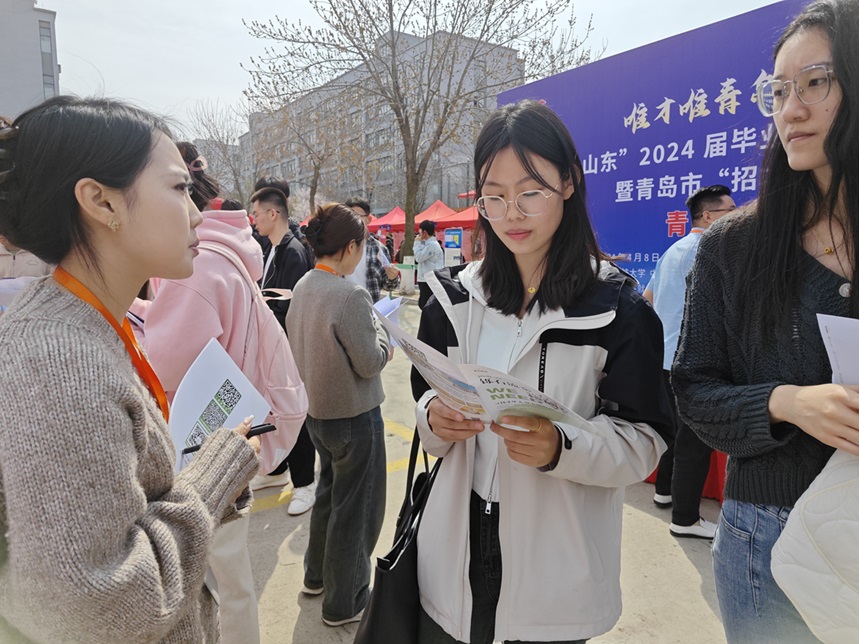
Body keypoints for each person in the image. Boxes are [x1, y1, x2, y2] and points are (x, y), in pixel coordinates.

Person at [411, 100, 673, 644]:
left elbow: (645, 441)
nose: (511, 214)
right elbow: (423, 414)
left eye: (530, 193)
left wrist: (561, 446)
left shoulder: (618, 310)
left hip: (556, 566)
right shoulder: (453, 298)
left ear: (569, 184)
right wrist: (435, 418)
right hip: (456, 548)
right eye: (494, 197)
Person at [0, 96, 260, 643]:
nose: (197, 213)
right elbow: (104, 604)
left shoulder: (82, 327)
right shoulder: (57, 359)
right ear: (101, 201)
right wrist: (214, 476)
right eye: (178, 188)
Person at [672, 1, 859, 641]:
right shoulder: (735, 246)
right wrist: (788, 402)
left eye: (816, 82)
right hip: (767, 540)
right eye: (779, 90)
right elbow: (694, 391)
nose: (792, 109)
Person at [131, 142, 307, 644]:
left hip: (206, 443)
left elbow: (166, 361)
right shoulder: (222, 256)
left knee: (222, 580)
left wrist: (128, 315)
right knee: (230, 577)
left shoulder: (198, 269)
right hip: (229, 430)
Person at [285, 203, 392, 627]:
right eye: (362, 247)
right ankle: (344, 602)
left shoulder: (304, 285)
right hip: (356, 415)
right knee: (359, 508)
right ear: (350, 248)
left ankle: (316, 577)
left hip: (319, 416)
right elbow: (370, 362)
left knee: (329, 496)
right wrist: (383, 332)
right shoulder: (350, 294)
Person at [643, 185, 736, 539]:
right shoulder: (712, 249)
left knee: (676, 435)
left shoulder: (672, 250)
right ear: (709, 216)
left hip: (667, 359)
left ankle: (664, 493)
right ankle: (685, 519)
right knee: (694, 444)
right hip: (696, 361)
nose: (736, 215)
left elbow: (647, 298)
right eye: (730, 211)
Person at [248, 184, 318, 514]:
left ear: (274, 214)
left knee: (293, 412)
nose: (254, 220)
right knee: (273, 411)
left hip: (289, 347)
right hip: (273, 345)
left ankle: (305, 483)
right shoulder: (272, 248)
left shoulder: (293, 252)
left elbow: (289, 306)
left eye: (257, 214)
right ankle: (277, 470)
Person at [343, 196, 400, 301]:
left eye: (357, 216)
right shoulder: (336, 246)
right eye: (348, 216)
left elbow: (389, 286)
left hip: (368, 309)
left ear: (368, 219)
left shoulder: (379, 249)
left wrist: (392, 278)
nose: (352, 221)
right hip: (340, 309)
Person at [413, 219, 445, 309]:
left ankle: (429, 323)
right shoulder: (429, 244)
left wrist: (417, 243)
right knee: (424, 304)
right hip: (426, 279)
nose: (418, 234)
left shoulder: (432, 245)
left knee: (425, 305)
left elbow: (418, 258)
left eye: (420, 231)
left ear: (424, 232)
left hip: (428, 279)